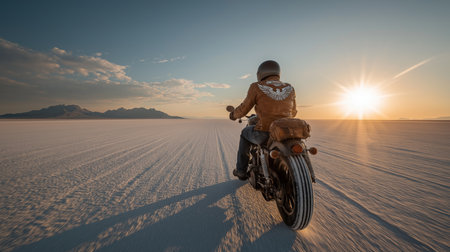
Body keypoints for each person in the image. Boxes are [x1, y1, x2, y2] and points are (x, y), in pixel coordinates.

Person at [229, 60, 297, 180]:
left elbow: (244, 108)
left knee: (245, 133)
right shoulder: (289, 87)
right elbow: (294, 112)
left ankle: (241, 171)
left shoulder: (256, 86)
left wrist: (234, 115)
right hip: (286, 132)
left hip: (265, 132)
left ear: (261, 73)